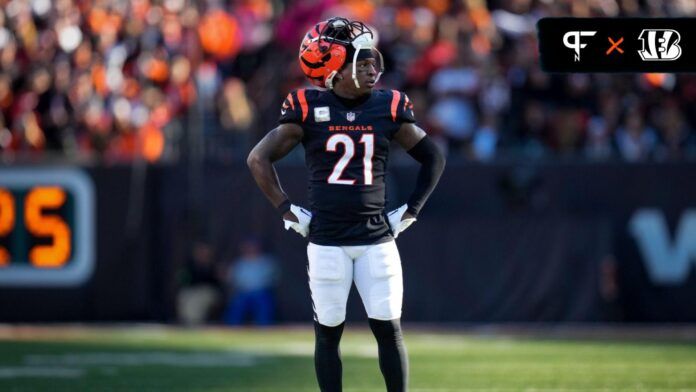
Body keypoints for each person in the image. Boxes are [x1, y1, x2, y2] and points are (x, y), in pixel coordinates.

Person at [247, 17, 445, 392]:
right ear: (335, 68)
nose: (373, 68)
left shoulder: (388, 106)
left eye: (373, 61)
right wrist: (286, 209)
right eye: (363, 62)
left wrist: (414, 209)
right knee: (327, 335)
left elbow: (434, 157)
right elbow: (258, 158)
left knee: (389, 330)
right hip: (327, 241)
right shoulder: (307, 106)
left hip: (376, 240)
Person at [223, 237, 279, 326]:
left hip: (261, 292)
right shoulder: (239, 263)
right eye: (248, 247)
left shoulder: (267, 262)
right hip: (243, 292)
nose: (250, 249)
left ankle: (265, 329)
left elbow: (274, 279)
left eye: (253, 246)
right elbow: (232, 280)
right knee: (236, 305)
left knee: (265, 304)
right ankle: (231, 328)